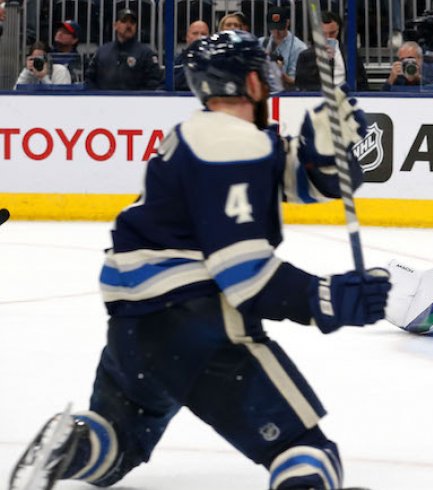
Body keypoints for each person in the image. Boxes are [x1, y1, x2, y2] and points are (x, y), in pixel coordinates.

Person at [8, 30, 391, 490]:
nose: (270, 84)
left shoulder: (204, 136)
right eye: (264, 74)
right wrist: (326, 298)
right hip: (194, 322)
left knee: (118, 444)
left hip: (135, 326)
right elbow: (243, 273)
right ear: (250, 82)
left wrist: (329, 155)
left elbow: (297, 180)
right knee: (303, 448)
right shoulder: (233, 143)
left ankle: (77, 445)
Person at [85, 8, 162, 90]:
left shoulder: (146, 54)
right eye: (124, 21)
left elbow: (153, 82)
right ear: (115, 25)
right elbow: (90, 79)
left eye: (132, 22)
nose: (129, 25)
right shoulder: (102, 52)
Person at [295, 11, 368, 91]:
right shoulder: (306, 56)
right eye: (323, 34)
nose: (328, 37)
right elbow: (302, 86)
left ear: (339, 30)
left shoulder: (350, 52)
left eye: (332, 33)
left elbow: (362, 81)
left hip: (347, 97)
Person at [260, 6, 307, 92]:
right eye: (273, 28)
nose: (276, 32)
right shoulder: (261, 44)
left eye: (280, 28)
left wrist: (280, 74)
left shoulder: (299, 48)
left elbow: (298, 82)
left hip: (288, 95)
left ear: (287, 23)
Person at [164, 19, 210, 91]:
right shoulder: (176, 62)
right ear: (187, 37)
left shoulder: (215, 61)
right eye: (195, 33)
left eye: (203, 34)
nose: (199, 37)